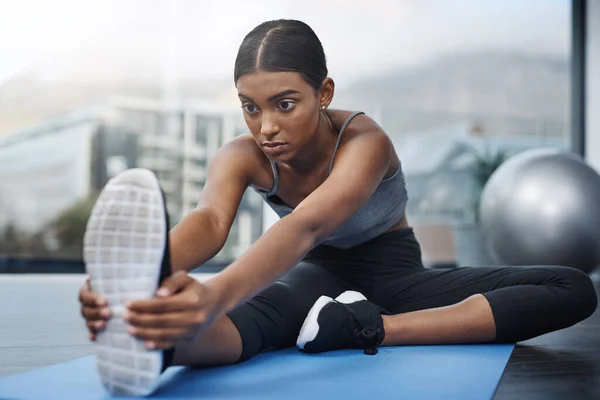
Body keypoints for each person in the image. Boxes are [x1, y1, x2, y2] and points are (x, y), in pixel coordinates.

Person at [78, 19, 598, 396]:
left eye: (285, 103)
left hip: (397, 278)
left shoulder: (364, 140)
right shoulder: (242, 155)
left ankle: (368, 327)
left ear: (323, 92)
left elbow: (307, 224)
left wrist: (213, 293)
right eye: (250, 106)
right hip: (315, 282)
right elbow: (210, 223)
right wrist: (146, 276)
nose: (266, 126)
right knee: (259, 321)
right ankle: (158, 343)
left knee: (572, 287)